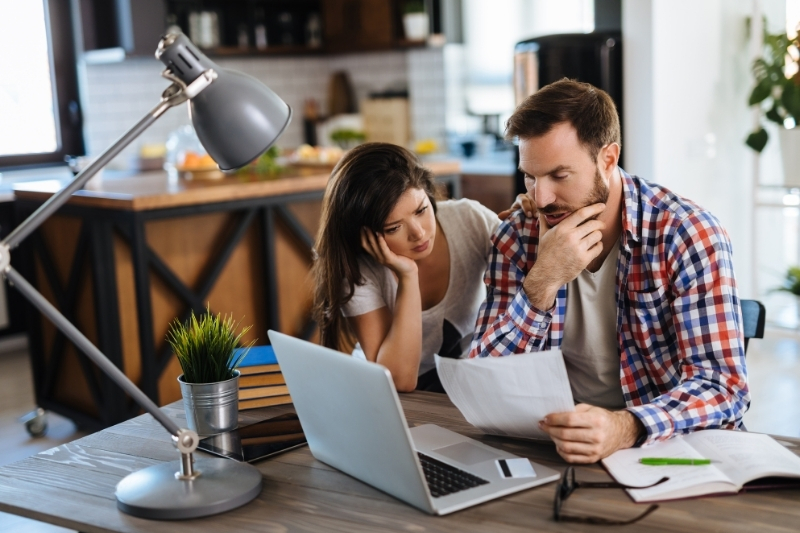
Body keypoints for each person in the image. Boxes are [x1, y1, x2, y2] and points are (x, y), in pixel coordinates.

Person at [470, 79, 749, 463]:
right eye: (530, 177)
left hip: (664, 446)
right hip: (554, 447)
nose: (541, 198)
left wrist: (625, 426)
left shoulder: (686, 234)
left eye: (559, 175)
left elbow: (723, 388)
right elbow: (481, 383)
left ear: (608, 158)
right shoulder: (517, 236)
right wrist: (542, 282)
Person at [313, 142, 529, 392]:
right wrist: (407, 276)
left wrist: (527, 224)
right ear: (364, 235)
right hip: (387, 396)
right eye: (393, 228)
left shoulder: (468, 220)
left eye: (421, 210)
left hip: (463, 384)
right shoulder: (358, 270)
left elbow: (531, 271)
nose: (419, 233)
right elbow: (398, 381)